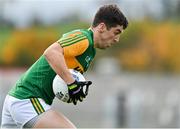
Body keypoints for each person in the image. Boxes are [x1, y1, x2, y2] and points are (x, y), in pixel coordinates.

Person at [1, 4, 128, 128]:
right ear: (101, 27)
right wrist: (71, 83)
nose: (117, 39)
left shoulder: (90, 51)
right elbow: (51, 52)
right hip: (28, 99)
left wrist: (72, 88)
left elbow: (60, 79)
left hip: (18, 98)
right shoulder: (83, 38)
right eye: (116, 32)